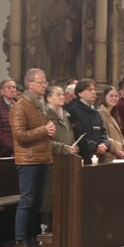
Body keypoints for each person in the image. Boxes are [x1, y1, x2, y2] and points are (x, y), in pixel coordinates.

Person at [10, 68, 55, 247]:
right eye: (41, 82)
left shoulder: (39, 104)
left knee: (37, 201)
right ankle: (21, 240)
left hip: (42, 157)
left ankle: (31, 237)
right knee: (27, 201)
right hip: (27, 159)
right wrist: (45, 130)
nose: (45, 85)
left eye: (45, 82)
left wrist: (49, 131)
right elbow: (19, 135)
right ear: (30, 84)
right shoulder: (19, 107)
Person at [41, 83, 79, 231]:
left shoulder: (65, 114)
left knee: (63, 194)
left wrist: (73, 145)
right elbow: (46, 141)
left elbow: (68, 135)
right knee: (50, 195)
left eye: (63, 94)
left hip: (66, 159)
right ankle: (46, 226)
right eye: (58, 94)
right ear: (49, 98)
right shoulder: (45, 115)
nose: (62, 97)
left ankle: (61, 225)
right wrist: (64, 148)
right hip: (52, 160)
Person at [65, 79, 108, 162]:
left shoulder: (95, 111)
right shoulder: (74, 110)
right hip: (83, 156)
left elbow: (103, 131)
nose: (93, 92)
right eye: (89, 90)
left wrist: (104, 144)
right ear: (80, 93)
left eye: (94, 89)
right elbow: (77, 134)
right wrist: (95, 147)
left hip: (99, 155)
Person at [98, 85, 124, 161]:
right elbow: (105, 136)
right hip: (110, 156)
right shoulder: (100, 113)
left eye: (116, 96)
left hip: (119, 154)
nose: (114, 98)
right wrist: (119, 150)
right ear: (104, 97)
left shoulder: (114, 114)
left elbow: (120, 135)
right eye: (111, 96)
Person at [0, 78, 18, 156]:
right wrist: (14, 147)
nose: (12, 90)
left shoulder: (19, 105)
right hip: (5, 150)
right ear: (2, 91)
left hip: (21, 145)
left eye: (14, 87)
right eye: (9, 87)